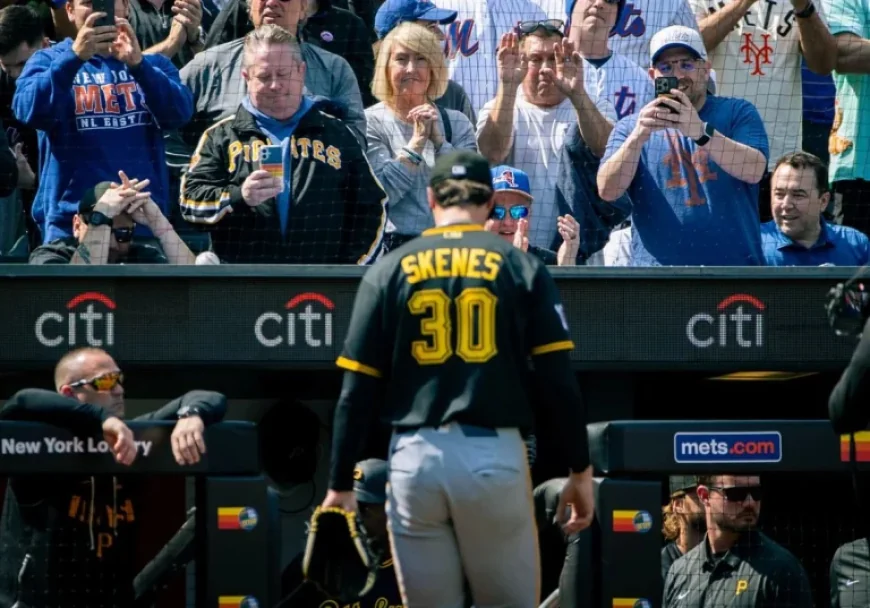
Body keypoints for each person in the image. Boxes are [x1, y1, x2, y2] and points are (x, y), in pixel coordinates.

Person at [322, 149, 595, 607]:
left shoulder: (390, 269)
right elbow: (557, 383)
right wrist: (579, 470)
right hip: (492, 453)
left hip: (414, 459)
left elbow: (356, 392)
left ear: (431, 198)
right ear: (488, 203)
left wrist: (339, 486)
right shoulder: (521, 266)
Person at [0, 346, 227, 608]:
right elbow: (21, 401)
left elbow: (208, 397)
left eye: (119, 379)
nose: (119, 389)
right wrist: (101, 419)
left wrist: (192, 414)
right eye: (106, 382)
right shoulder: (40, 449)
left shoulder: (128, 442)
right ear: (69, 393)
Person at [180, 25, 386, 263]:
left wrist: (348, 271)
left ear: (301, 72)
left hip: (320, 288)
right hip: (242, 286)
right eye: (264, 76)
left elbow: (372, 208)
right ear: (246, 77)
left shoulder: (338, 134)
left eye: (284, 74)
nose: (275, 85)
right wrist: (238, 197)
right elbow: (190, 202)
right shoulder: (221, 136)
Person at [12, 0, 194, 244]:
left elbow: (179, 115)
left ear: (126, 7)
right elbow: (27, 111)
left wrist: (139, 67)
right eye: (88, 2)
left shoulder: (153, 64)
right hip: (71, 226)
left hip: (141, 224)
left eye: (109, 2)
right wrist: (74, 58)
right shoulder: (47, 60)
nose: (99, 9)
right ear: (69, 11)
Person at [597, 25, 769, 266]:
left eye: (686, 64)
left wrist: (699, 131)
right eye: (666, 67)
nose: (677, 75)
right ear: (652, 75)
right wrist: (637, 138)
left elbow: (754, 170)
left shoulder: (737, 112)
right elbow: (607, 190)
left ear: (706, 69)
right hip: (659, 279)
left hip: (733, 273)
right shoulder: (630, 127)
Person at [365, 22, 477, 253]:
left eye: (421, 59)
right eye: (401, 59)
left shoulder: (456, 123)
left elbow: (471, 195)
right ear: (385, 68)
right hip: (391, 252)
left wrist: (439, 143)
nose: (410, 69)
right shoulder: (369, 122)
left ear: (434, 68)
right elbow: (380, 196)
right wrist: (416, 145)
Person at [664, 475, 812, 608]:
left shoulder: (782, 570)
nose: (750, 503)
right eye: (736, 494)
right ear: (704, 496)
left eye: (756, 493)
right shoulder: (679, 570)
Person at [280, 459, 402, 607]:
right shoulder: (314, 567)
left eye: (362, 509)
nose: (352, 516)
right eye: (344, 507)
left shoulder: (412, 570)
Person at [30, 176, 196, 264]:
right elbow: (76, 292)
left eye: (123, 233)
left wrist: (159, 222)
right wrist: (102, 215)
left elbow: (196, 286)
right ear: (76, 225)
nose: (111, 244)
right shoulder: (51, 256)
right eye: (102, 229)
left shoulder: (141, 257)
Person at [485, 163, 581, 265]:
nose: (507, 222)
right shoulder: (468, 261)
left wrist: (566, 265)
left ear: (529, 214)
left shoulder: (548, 262)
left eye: (518, 211)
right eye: (496, 212)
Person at [661, 475, 704, 579]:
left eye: (710, 493)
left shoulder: (726, 558)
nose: (708, 499)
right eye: (700, 495)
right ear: (678, 505)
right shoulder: (661, 564)